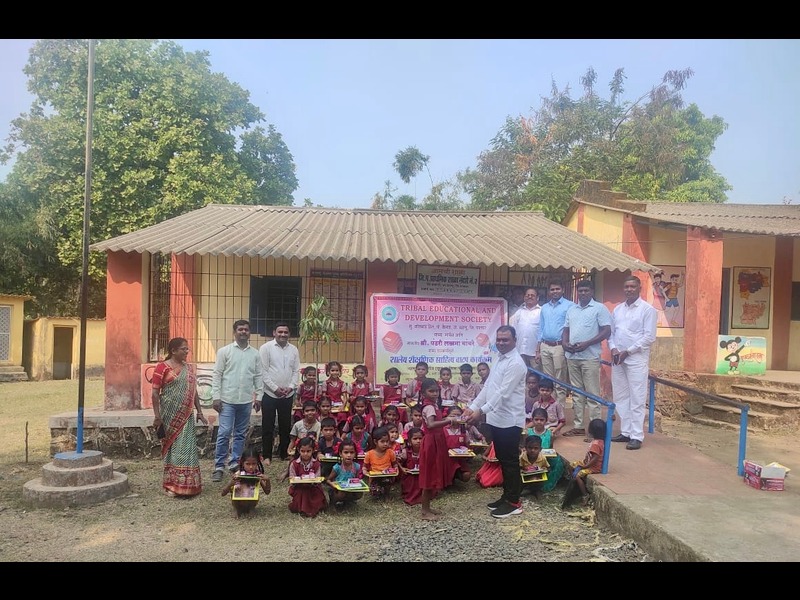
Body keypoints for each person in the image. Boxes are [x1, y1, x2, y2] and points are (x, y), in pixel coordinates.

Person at [464, 325, 529, 519]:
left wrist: (481, 412)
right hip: (497, 419)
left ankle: (514, 502)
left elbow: (503, 393)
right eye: (499, 339)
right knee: (502, 458)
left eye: (505, 339)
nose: (501, 343)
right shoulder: (499, 358)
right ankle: (507, 496)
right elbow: (488, 388)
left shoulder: (516, 363)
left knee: (510, 462)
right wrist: (473, 406)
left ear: (515, 340)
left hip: (510, 420)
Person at [151, 337, 208, 497]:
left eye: (187, 349)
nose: (186, 351)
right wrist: (157, 416)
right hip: (169, 415)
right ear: (173, 351)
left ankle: (188, 485)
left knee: (187, 447)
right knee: (172, 448)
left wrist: (200, 412)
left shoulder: (188, 368)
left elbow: (193, 391)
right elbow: (155, 393)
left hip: (186, 415)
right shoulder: (162, 367)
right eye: (183, 349)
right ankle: (172, 485)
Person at [609, 275, 657, 451]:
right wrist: (613, 349)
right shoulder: (618, 310)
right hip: (618, 359)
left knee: (637, 398)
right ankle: (626, 431)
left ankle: (636, 436)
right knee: (620, 396)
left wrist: (628, 351)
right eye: (626, 287)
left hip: (636, 359)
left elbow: (649, 337)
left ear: (639, 288)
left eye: (632, 287)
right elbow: (612, 333)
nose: (629, 289)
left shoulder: (647, 310)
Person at [211, 319, 263, 483]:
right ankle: (219, 466)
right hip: (227, 400)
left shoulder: (255, 354)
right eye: (240, 329)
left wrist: (259, 397)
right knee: (224, 432)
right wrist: (216, 397)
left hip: (245, 401)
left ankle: (234, 462)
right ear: (234, 332)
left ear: (249, 332)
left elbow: (258, 376)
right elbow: (217, 374)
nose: (243, 332)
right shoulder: (224, 352)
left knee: (240, 434)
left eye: (246, 329)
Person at [562, 279, 612, 438]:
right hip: (572, 356)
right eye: (580, 291)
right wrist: (564, 343)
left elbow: (606, 331)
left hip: (590, 357)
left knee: (592, 394)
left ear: (592, 292)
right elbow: (566, 329)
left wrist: (587, 343)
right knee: (577, 393)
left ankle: (595, 430)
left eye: (586, 290)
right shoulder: (572, 309)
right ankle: (578, 426)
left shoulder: (599, 308)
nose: (583, 293)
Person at [258, 322, 300, 466]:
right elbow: (263, 371)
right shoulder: (266, 348)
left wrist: (291, 387)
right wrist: (275, 388)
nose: (283, 334)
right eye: (280, 332)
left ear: (289, 334)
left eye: (285, 332)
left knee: (285, 425)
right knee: (268, 426)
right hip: (269, 394)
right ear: (274, 333)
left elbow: (295, 371)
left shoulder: (293, 349)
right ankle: (267, 456)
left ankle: (284, 454)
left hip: (287, 395)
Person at [417, 377, 458, 520]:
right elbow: (431, 424)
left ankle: (428, 507)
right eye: (431, 391)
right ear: (423, 393)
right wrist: (449, 420)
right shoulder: (429, 407)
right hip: (431, 442)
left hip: (436, 440)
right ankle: (424, 511)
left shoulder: (433, 405)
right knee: (429, 475)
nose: (435, 394)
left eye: (436, 391)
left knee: (432, 473)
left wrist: (446, 420)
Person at [535, 279, 575, 409]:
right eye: (552, 289)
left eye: (557, 289)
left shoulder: (570, 306)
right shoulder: (544, 308)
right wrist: (538, 349)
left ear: (562, 290)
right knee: (548, 380)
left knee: (560, 380)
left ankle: (560, 410)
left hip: (559, 346)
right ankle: (549, 409)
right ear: (549, 291)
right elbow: (541, 329)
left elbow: (572, 326)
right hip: (545, 345)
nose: (555, 291)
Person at [221, 447, 271, 518]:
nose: (251, 467)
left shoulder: (258, 476)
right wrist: (231, 484)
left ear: (257, 463)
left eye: (254, 464)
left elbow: (267, 492)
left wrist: (267, 480)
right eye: (247, 464)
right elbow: (223, 493)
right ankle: (236, 509)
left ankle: (251, 508)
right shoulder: (238, 474)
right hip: (238, 502)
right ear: (242, 463)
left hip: (251, 503)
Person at [525, 408, 565, 493]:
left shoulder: (550, 434)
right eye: (536, 419)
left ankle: (546, 483)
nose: (539, 422)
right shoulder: (528, 432)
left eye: (541, 420)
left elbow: (550, 448)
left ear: (546, 420)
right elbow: (524, 447)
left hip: (545, 458)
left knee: (558, 461)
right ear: (532, 420)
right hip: (531, 458)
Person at [567, 418, 606, 504]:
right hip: (586, 462)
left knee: (578, 475)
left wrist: (585, 466)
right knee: (571, 465)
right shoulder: (599, 440)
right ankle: (573, 481)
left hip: (593, 467)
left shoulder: (596, 444)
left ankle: (585, 495)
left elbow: (595, 458)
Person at [287, 437, 327, 517]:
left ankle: (310, 509)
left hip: (313, 488)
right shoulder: (294, 464)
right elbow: (292, 478)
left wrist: (312, 481)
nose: (305, 454)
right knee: (303, 492)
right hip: (299, 488)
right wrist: (298, 481)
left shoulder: (316, 464)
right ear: (298, 450)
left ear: (313, 450)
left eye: (308, 451)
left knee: (316, 499)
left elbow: (317, 478)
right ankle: (302, 508)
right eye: (303, 451)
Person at [362, 425, 399, 498]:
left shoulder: (390, 452)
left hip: (387, 476)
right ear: (375, 441)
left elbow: (395, 464)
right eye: (382, 441)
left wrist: (396, 469)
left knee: (387, 483)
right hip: (375, 477)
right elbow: (364, 467)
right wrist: (365, 471)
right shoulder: (369, 454)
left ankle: (386, 492)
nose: (385, 444)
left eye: (387, 441)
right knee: (376, 493)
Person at [325, 439, 364, 508]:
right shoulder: (337, 467)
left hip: (350, 488)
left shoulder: (357, 467)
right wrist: (333, 485)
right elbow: (328, 480)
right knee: (341, 494)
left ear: (355, 454)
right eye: (346, 452)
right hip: (338, 490)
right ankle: (335, 501)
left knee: (360, 493)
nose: (349, 455)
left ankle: (348, 501)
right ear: (340, 453)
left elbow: (357, 479)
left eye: (352, 452)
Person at [510, 287, 542, 368]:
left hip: (534, 353)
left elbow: (543, 333)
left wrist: (539, 351)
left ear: (537, 298)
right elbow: (512, 330)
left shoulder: (541, 311)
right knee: (521, 373)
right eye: (527, 295)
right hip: (520, 351)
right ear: (524, 298)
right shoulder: (519, 312)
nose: (530, 297)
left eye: (532, 295)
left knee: (536, 374)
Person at [442, 405, 472, 483]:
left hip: (459, 458)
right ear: (447, 417)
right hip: (445, 459)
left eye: (458, 416)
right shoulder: (443, 429)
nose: (455, 418)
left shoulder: (463, 430)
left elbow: (467, 445)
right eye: (452, 416)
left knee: (466, 476)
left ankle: (456, 475)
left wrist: (467, 450)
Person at [399, 426, 424, 506]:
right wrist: (402, 468)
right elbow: (397, 462)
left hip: (423, 475)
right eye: (415, 439)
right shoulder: (406, 452)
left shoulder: (426, 451)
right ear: (410, 440)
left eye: (420, 438)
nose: (418, 441)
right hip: (410, 476)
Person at [321, 360, 349, 430]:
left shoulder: (342, 383)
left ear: (339, 371)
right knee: (329, 416)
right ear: (328, 371)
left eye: (337, 370)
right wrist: (327, 406)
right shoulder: (325, 383)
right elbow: (324, 396)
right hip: (329, 404)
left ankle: (341, 432)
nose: (335, 372)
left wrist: (343, 406)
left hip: (339, 404)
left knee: (342, 415)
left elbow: (345, 397)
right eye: (332, 370)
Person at [519, 434, 549, 498]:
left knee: (540, 481)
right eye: (530, 448)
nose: (532, 450)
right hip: (526, 477)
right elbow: (519, 467)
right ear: (525, 448)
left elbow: (547, 467)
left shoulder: (542, 458)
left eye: (536, 448)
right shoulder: (522, 457)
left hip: (537, 477)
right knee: (519, 480)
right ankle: (526, 489)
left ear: (540, 449)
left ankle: (536, 491)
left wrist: (543, 470)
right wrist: (522, 470)